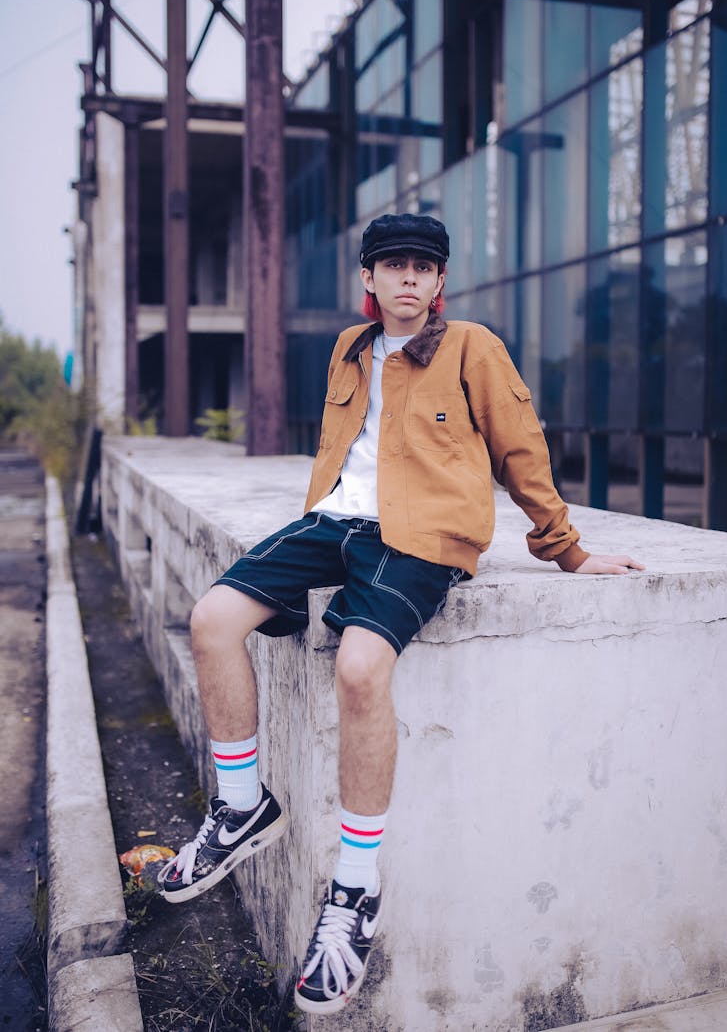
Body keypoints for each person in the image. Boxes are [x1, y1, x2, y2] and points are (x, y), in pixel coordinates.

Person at [158, 213, 644, 1015]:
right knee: (212, 619)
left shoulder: (472, 347)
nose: (411, 278)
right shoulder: (350, 348)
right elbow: (339, 454)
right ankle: (241, 804)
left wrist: (568, 549)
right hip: (333, 524)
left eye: (426, 267)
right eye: (396, 266)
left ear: (440, 283)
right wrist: (294, 569)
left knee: (358, 667)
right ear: (370, 280)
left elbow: (522, 448)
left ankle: (353, 890)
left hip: (421, 538)